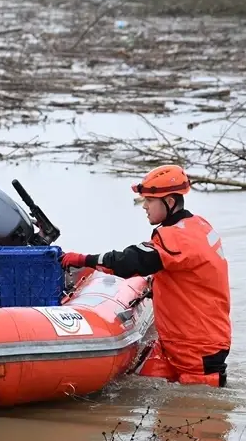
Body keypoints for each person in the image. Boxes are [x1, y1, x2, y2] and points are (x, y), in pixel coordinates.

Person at [59, 164, 232, 387]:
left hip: (197, 346)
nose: (144, 206)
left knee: (199, 404)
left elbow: (129, 262)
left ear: (170, 202)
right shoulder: (197, 225)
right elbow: (185, 273)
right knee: (137, 381)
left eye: (149, 200)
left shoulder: (177, 239)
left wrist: (84, 259)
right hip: (180, 340)